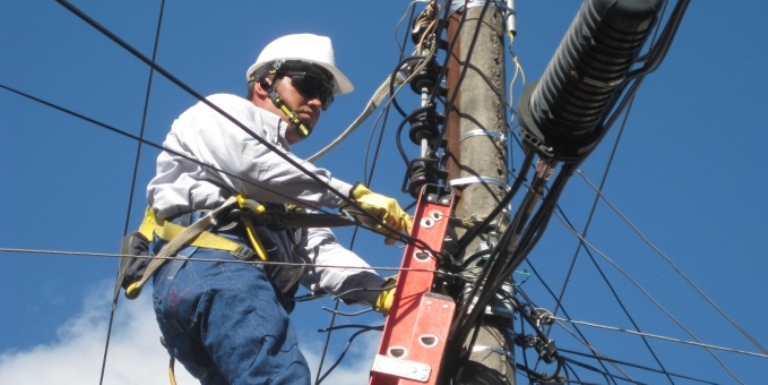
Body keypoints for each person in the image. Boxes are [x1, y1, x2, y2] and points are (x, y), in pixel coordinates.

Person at [146, 33, 412, 385]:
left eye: (325, 97)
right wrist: (352, 196)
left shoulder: (293, 182)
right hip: (214, 268)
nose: (317, 102)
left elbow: (318, 253)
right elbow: (252, 166)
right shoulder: (224, 111)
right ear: (264, 82)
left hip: (211, 289)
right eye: (309, 84)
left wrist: (380, 292)